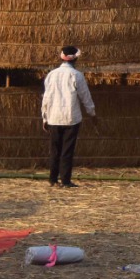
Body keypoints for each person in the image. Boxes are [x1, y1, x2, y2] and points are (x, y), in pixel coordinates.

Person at [42, 45, 96, 188]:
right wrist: (92, 113)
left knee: (54, 150)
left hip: (53, 117)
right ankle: (65, 180)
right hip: (71, 118)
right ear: (75, 59)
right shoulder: (77, 76)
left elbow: (46, 98)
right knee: (67, 150)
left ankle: (52, 179)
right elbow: (85, 97)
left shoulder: (51, 75)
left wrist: (44, 117)